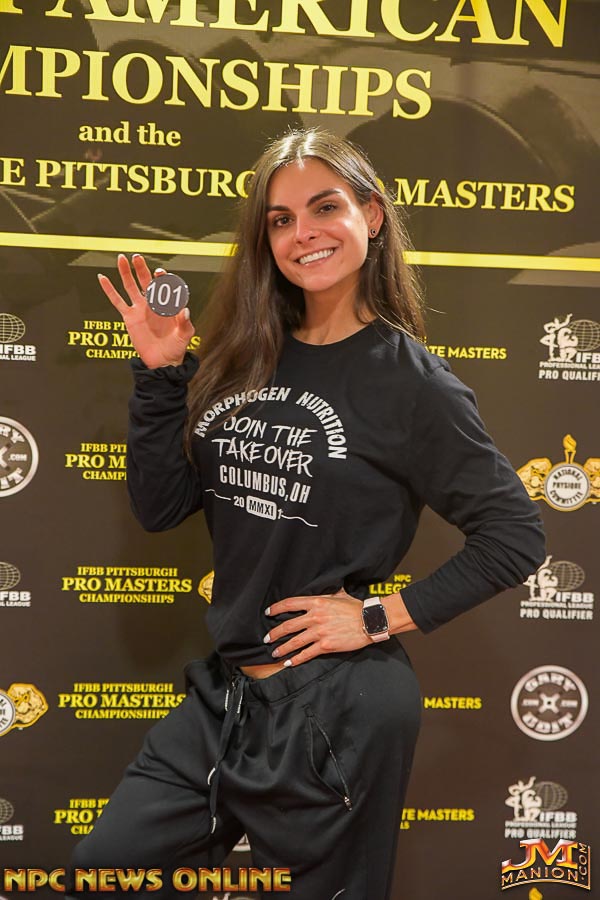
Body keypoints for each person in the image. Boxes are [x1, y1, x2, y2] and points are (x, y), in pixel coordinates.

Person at [68, 128, 545, 899]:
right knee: (105, 871)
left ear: (371, 215)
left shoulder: (414, 384)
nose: (303, 233)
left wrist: (377, 617)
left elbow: (515, 536)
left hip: (338, 710)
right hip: (226, 697)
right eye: (281, 219)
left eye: (325, 207)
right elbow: (161, 508)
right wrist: (160, 375)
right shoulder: (246, 352)